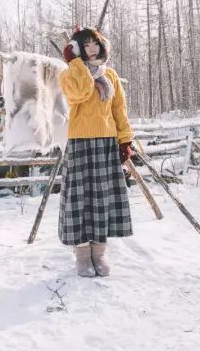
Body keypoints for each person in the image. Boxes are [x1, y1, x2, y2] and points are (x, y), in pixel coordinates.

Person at [57, 26, 134, 277]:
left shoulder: (110, 75)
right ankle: (82, 256)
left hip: (105, 143)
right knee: (81, 202)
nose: (92, 48)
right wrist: (75, 63)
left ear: (102, 46)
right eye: (85, 44)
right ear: (77, 49)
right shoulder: (69, 75)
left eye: (95, 43)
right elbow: (80, 93)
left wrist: (125, 140)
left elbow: (119, 110)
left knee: (101, 200)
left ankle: (99, 254)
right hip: (80, 142)